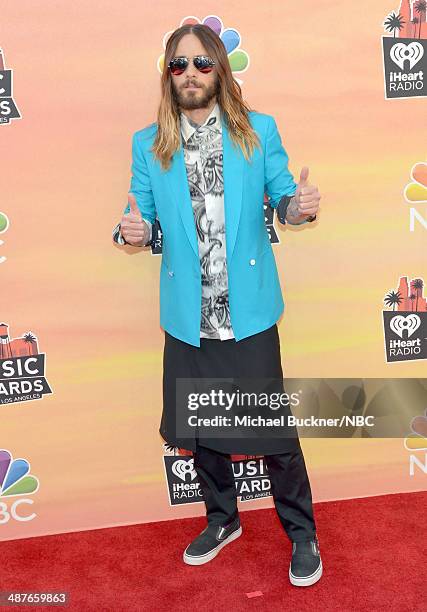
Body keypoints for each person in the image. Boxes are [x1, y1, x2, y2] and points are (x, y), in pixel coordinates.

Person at [113, 23, 322, 587]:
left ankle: (302, 533)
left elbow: (283, 198)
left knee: (272, 433)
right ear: (168, 74)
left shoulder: (258, 131)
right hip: (188, 315)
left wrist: (299, 206)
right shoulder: (148, 142)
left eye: (202, 63)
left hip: (248, 311)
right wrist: (129, 232)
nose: (190, 74)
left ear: (220, 71)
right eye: (178, 65)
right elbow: (139, 216)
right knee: (201, 427)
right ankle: (223, 520)